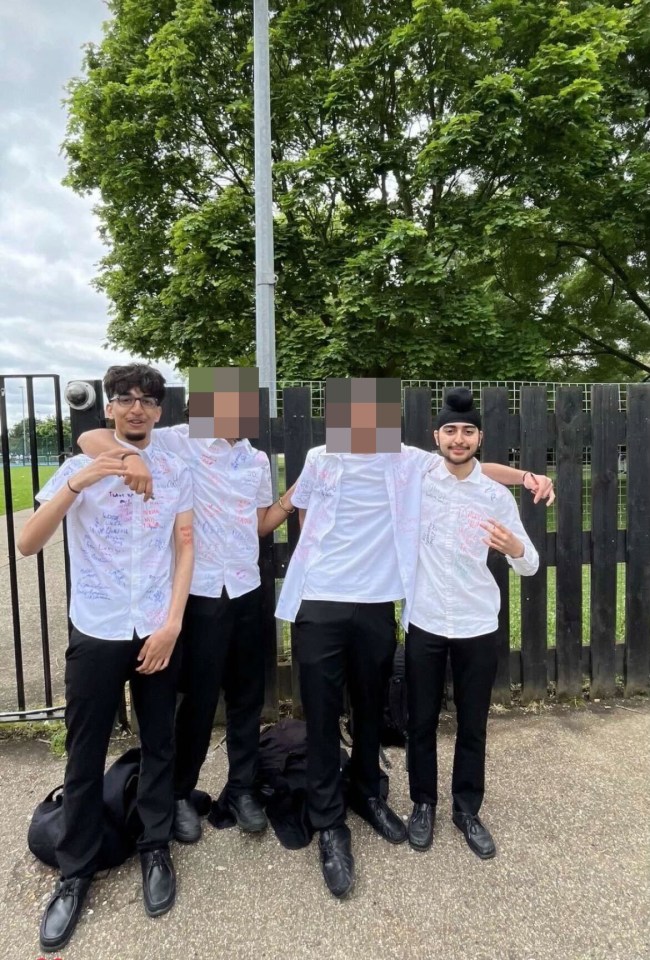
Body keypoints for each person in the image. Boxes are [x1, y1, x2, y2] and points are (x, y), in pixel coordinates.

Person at [275, 397, 552, 899]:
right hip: (321, 600)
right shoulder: (320, 457)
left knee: (369, 709)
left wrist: (528, 476)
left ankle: (367, 793)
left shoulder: (406, 460)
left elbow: (468, 464)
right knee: (320, 714)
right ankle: (330, 825)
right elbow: (301, 511)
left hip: (379, 602)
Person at [18, 364, 194, 952]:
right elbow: (28, 542)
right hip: (97, 629)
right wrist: (82, 478)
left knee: (159, 742)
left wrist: (172, 624)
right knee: (85, 746)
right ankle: (75, 873)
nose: (137, 408)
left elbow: (185, 544)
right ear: (110, 409)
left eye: (148, 400)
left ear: (160, 412)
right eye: (126, 399)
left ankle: (154, 848)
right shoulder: (80, 466)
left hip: (156, 628)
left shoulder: (174, 469)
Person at [79, 392, 295, 843]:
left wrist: (292, 499)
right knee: (198, 700)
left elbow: (258, 524)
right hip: (197, 593)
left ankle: (241, 789)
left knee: (247, 697)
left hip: (247, 589)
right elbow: (90, 436)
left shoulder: (256, 461)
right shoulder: (178, 442)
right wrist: (127, 459)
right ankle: (178, 792)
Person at [405, 388, 539, 858]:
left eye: (467, 431)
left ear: (479, 436)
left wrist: (515, 548)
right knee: (419, 721)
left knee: (473, 723)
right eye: (449, 431)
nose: (458, 439)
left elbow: (532, 564)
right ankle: (422, 803)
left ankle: (467, 809)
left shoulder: (494, 495)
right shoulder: (418, 478)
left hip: (477, 623)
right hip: (423, 619)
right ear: (435, 436)